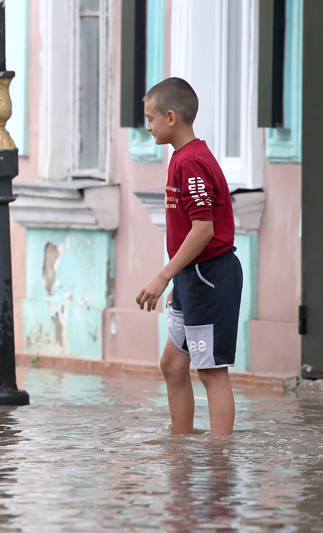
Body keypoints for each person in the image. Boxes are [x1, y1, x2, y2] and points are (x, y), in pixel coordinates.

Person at [135, 77, 242, 436]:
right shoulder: (183, 158)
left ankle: (219, 462)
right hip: (191, 278)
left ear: (170, 117)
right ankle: (181, 449)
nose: (147, 127)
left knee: (211, 371)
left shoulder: (191, 162)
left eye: (150, 119)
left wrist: (164, 275)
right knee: (172, 364)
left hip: (208, 277)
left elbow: (203, 230)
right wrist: (177, 279)